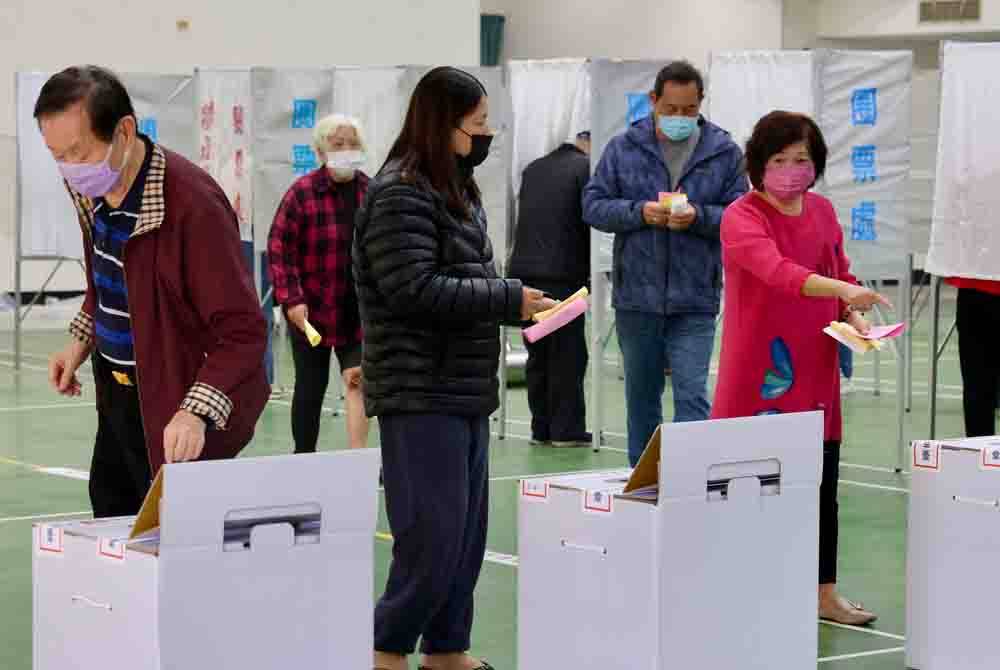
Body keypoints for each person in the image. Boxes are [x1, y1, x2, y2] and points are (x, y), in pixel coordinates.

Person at [354, 67, 555, 670]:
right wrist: (504, 299)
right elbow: (412, 287)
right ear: (442, 126)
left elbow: (462, 280)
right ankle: (384, 649)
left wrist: (517, 304)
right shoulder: (399, 193)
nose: (484, 137)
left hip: (462, 385)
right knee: (430, 537)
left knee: (465, 536)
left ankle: (447, 649)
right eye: (476, 126)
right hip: (419, 390)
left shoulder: (455, 190)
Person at [37, 66, 269, 517]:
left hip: (176, 401)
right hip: (119, 396)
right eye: (56, 156)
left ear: (124, 131)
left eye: (78, 153)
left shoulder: (192, 207)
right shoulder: (90, 186)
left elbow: (243, 332)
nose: (69, 170)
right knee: (112, 516)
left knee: (171, 537)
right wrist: (82, 338)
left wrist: (194, 412)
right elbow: (111, 273)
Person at [712, 111, 891, 626]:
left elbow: (839, 271)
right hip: (759, 373)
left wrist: (852, 312)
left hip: (815, 367)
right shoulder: (742, 217)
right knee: (750, 482)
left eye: (802, 160)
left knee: (820, 485)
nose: (792, 170)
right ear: (758, 164)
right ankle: (743, 587)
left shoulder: (824, 211)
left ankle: (823, 594)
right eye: (779, 160)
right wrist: (841, 290)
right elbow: (779, 273)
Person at [583, 61, 748, 466]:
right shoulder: (624, 148)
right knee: (642, 398)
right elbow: (593, 205)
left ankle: (690, 479)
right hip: (637, 297)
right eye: (671, 109)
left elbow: (740, 216)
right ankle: (643, 481)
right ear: (653, 101)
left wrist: (700, 218)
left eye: (689, 110)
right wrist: (640, 212)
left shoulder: (724, 152)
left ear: (701, 104)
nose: (680, 118)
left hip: (695, 298)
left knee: (692, 394)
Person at [268, 114, 371, 453]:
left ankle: (359, 460)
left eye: (352, 144)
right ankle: (304, 458)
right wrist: (292, 300)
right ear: (320, 152)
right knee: (310, 389)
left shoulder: (371, 192)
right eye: (337, 144)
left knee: (358, 383)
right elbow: (279, 249)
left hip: (356, 312)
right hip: (311, 311)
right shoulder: (301, 194)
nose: (345, 151)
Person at [507, 131, 592, 448]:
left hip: (525, 276)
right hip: (564, 276)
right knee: (567, 355)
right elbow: (587, 225)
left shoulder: (534, 168)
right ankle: (566, 430)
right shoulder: (585, 168)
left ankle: (541, 426)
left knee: (539, 354)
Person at [947, 277, 1000, 437]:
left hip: (974, 286)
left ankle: (979, 455)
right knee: (976, 385)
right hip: (974, 288)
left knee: (976, 385)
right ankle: (979, 452)